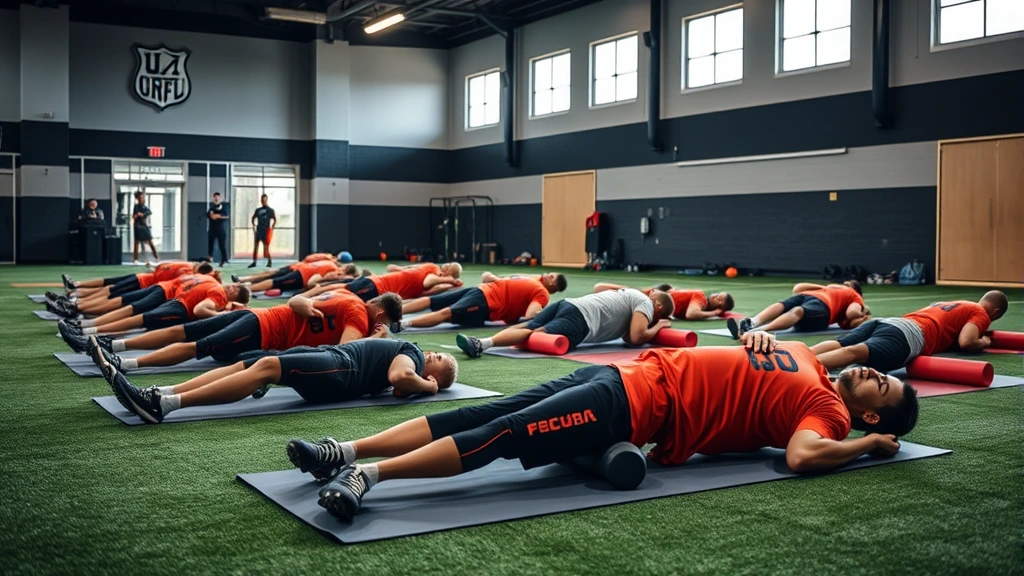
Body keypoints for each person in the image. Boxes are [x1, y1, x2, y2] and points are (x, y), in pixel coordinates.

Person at [287, 331, 919, 521]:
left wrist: (866, 444)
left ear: (869, 414)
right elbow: (824, 348)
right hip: (625, 372)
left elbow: (803, 456)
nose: (875, 374)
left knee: (500, 436)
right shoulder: (812, 359)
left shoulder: (831, 415)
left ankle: (369, 476)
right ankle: (342, 449)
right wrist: (762, 336)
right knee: (483, 412)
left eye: (883, 386)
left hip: (635, 409)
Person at [101, 339, 458, 425]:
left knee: (268, 366)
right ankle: (161, 392)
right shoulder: (409, 356)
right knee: (252, 362)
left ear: (432, 374)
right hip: (331, 357)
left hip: (339, 369)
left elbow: (399, 378)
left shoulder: (412, 355)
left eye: (440, 360)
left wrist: (428, 386)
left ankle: (163, 406)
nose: (434, 353)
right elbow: (398, 386)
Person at [87, 290, 403, 373]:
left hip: (258, 315)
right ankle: (124, 363)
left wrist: (302, 305)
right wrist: (375, 339)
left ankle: (113, 345)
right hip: (264, 331)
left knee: (183, 331)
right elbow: (345, 352)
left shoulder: (346, 295)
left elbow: (297, 299)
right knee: (197, 347)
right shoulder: (359, 315)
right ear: (381, 313)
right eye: (385, 323)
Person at [811, 291, 1009, 372]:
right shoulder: (981, 312)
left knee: (841, 343)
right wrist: (983, 342)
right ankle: (803, 368)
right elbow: (967, 341)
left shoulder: (955, 303)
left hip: (889, 322)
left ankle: (800, 355)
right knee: (853, 352)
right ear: (996, 312)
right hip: (909, 335)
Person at [455, 288, 674, 358]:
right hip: (582, 319)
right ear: (658, 307)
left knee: (527, 326)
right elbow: (637, 337)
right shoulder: (647, 303)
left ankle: (484, 341)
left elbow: (628, 337)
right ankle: (480, 345)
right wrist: (658, 326)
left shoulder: (633, 295)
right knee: (535, 333)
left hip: (569, 304)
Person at [57, 276, 250, 344]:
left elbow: (199, 306)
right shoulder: (217, 290)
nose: (231, 286)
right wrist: (221, 314)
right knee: (133, 316)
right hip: (175, 302)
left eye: (235, 288)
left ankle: (83, 325)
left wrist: (223, 312)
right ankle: (84, 326)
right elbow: (201, 308)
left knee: (132, 315)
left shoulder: (216, 289)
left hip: (174, 301)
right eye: (234, 285)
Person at [394, 275, 565, 332]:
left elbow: (527, 315)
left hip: (484, 298)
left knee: (442, 309)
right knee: (439, 307)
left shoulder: (541, 291)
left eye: (552, 276)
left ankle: (399, 319)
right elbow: (528, 315)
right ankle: (398, 316)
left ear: (554, 286)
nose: (547, 275)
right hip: (484, 296)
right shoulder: (536, 282)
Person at [727, 281, 868, 339]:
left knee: (798, 311)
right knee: (782, 305)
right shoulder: (829, 288)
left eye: (847, 284)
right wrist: (826, 287)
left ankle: (757, 330)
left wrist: (862, 312)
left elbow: (852, 313)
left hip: (824, 308)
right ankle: (752, 322)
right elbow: (798, 288)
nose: (842, 284)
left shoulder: (854, 295)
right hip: (808, 296)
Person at [53, 261, 214, 305]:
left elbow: (164, 270)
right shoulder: (187, 271)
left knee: (110, 287)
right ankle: (77, 293)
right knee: (110, 289)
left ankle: (76, 291)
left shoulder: (187, 268)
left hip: (143, 280)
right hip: (143, 282)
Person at [594, 283, 734, 320]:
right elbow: (691, 314)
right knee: (622, 294)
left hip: (657, 299)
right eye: (718, 295)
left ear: (721, 306)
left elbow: (690, 312)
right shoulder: (701, 297)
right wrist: (714, 313)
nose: (715, 296)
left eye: (719, 299)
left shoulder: (701, 300)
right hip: (655, 299)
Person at [345, 263, 464, 302]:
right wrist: (450, 281)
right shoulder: (434, 269)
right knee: (344, 292)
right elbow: (427, 282)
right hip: (377, 286)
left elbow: (426, 288)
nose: (447, 266)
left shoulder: (432, 273)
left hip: (377, 286)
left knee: (343, 291)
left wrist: (449, 284)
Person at [244, 260, 348, 293]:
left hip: (299, 268)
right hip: (302, 276)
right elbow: (312, 282)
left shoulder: (328, 262)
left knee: (271, 275)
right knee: (276, 281)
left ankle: (244, 282)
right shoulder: (334, 270)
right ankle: (247, 289)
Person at [249, 194, 276, 268]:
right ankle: (254, 262)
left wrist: (272, 226)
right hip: (259, 230)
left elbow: (274, 219)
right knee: (256, 246)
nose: (264, 201)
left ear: (267, 200)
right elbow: (253, 218)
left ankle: (269, 261)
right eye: (262, 200)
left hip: (266, 231)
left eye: (265, 200)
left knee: (266, 248)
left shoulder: (270, 210)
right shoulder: (258, 210)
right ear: (261, 200)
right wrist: (253, 225)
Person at [132, 192, 159, 264]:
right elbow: (134, 216)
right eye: (140, 198)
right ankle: (135, 259)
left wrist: (142, 214)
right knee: (136, 243)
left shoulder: (145, 207)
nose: (142, 199)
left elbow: (149, 212)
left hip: (144, 226)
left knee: (150, 241)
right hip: (137, 226)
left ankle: (156, 257)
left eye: (142, 197)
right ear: (137, 199)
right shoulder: (136, 207)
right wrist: (136, 216)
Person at [207, 192, 230, 267]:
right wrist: (218, 216)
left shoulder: (224, 207)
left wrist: (217, 215)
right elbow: (211, 216)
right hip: (212, 230)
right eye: (215, 197)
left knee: (222, 245)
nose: (216, 198)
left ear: (220, 198)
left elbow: (226, 216)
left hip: (221, 230)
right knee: (211, 245)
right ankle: (210, 259)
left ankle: (224, 260)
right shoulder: (211, 208)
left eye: (217, 197)